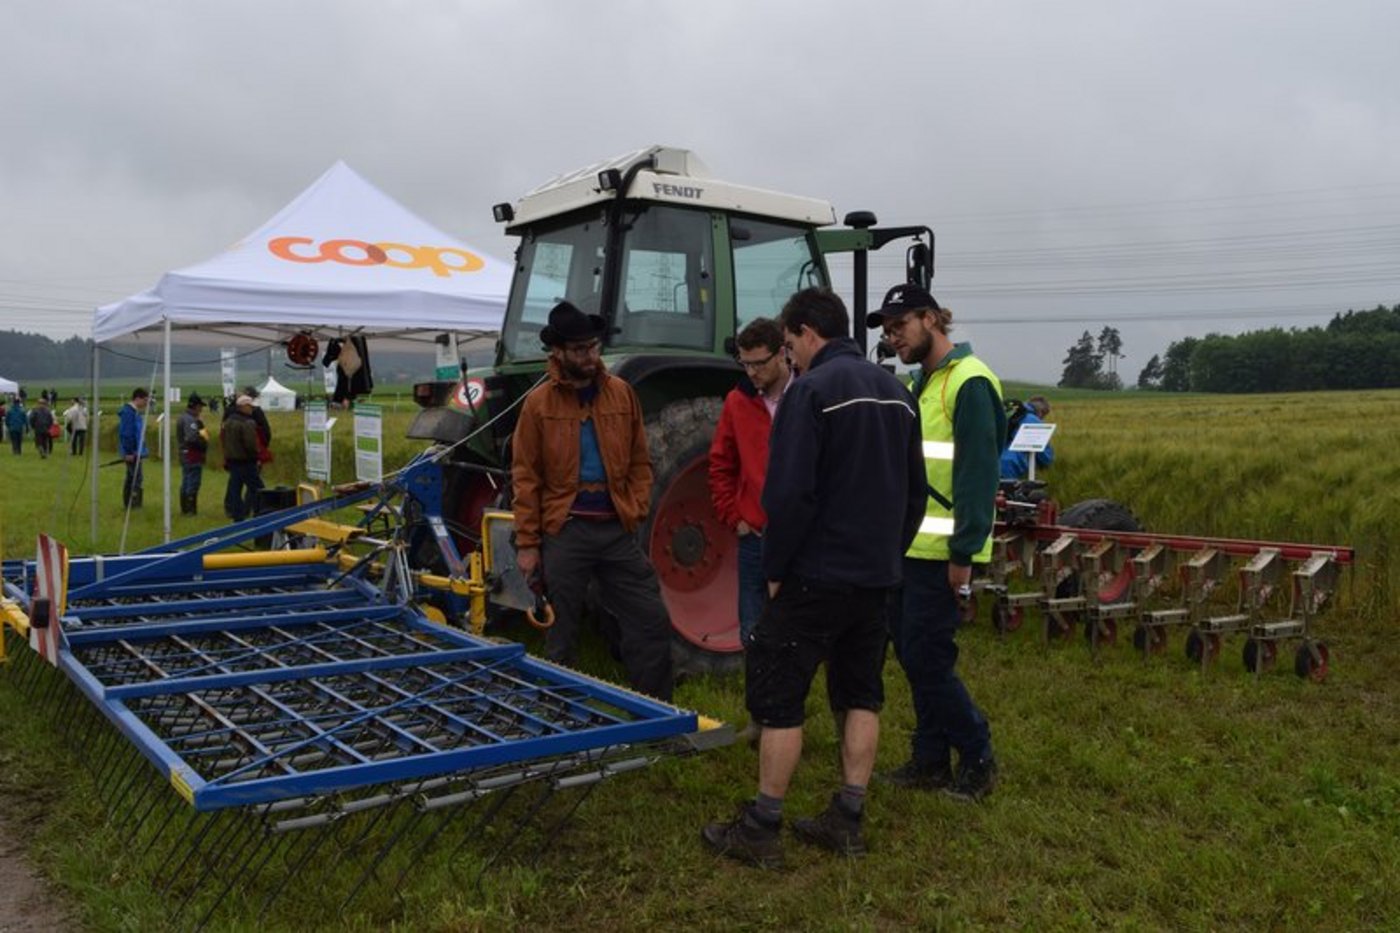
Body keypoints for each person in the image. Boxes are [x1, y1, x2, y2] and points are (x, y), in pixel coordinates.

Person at [702, 287, 925, 867]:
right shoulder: (899, 392)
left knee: (779, 697)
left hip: (816, 574)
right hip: (876, 577)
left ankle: (762, 826)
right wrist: (887, 557)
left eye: (789, 343)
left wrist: (776, 569)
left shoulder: (812, 392)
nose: (788, 355)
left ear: (804, 333)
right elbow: (915, 496)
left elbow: (789, 493)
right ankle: (848, 817)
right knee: (860, 694)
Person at [868, 283, 1005, 802]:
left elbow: (976, 475)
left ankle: (977, 756)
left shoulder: (969, 382)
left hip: (943, 555)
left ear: (930, 319)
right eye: (887, 331)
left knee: (928, 660)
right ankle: (929, 758)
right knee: (912, 657)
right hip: (908, 549)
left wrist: (964, 556)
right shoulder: (923, 383)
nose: (893, 338)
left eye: (899, 326)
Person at [510, 301, 674, 702]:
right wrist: (529, 544)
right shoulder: (538, 405)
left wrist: (635, 506)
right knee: (561, 630)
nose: (589, 356)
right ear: (559, 353)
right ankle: (558, 713)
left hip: (616, 529)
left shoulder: (622, 395)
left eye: (594, 347)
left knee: (649, 618)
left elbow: (640, 459)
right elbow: (525, 477)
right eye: (580, 349)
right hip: (567, 530)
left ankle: (653, 709)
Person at [707, 317, 794, 733]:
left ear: (782, 353)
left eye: (759, 363)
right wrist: (734, 517)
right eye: (744, 364)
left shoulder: (807, 395)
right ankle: (761, 718)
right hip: (756, 537)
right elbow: (721, 464)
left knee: (801, 629)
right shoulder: (738, 402)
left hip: (798, 540)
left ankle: (793, 714)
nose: (752, 373)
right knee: (753, 631)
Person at [221, 394, 264, 521]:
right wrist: (257, 456)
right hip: (247, 461)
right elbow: (250, 444)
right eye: (250, 406)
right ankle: (260, 514)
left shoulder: (228, 421)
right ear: (243, 407)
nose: (251, 409)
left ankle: (237, 516)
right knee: (259, 489)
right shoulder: (247, 422)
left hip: (233, 461)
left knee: (235, 489)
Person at [999, 394, 1054, 480]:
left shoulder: (1009, 414)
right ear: (1041, 412)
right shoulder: (1033, 420)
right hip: (1009, 465)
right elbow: (1044, 456)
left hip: (989, 461)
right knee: (1007, 491)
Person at [176, 394, 210, 516]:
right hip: (192, 454)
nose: (201, 409)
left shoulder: (183, 417)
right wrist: (203, 442)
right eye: (200, 406)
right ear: (195, 406)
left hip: (184, 453)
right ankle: (190, 509)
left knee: (186, 480)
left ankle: (185, 508)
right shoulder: (191, 420)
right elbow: (192, 438)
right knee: (193, 481)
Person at [117, 388, 150, 507]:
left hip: (136, 451)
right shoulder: (128, 413)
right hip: (132, 452)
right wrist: (129, 452)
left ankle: (132, 503)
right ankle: (133, 504)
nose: (146, 403)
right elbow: (126, 434)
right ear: (138, 398)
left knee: (133, 477)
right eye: (145, 400)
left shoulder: (134, 412)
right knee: (135, 477)